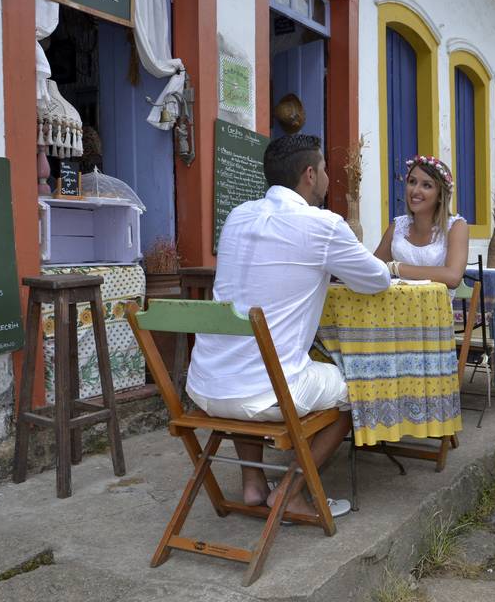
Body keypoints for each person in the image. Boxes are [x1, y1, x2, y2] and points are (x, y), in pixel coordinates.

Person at [186, 134, 391, 518]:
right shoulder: (323, 225)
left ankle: (252, 483)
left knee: (247, 357)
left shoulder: (237, 217)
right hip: (269, 393)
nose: (329, 179)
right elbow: (376, 279)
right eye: (326, 170)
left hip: (205, 385)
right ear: (310, 174)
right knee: (354, 393)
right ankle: (291, 490)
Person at [374, 155, 469, 290]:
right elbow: (373, 267)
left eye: (426, 185)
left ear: (441, 196)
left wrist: (395, 267)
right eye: (412, 182)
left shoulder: (456, 227)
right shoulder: (397, 226)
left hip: (435, 309)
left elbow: (453, 277)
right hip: (394, 307)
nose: (415, 190)